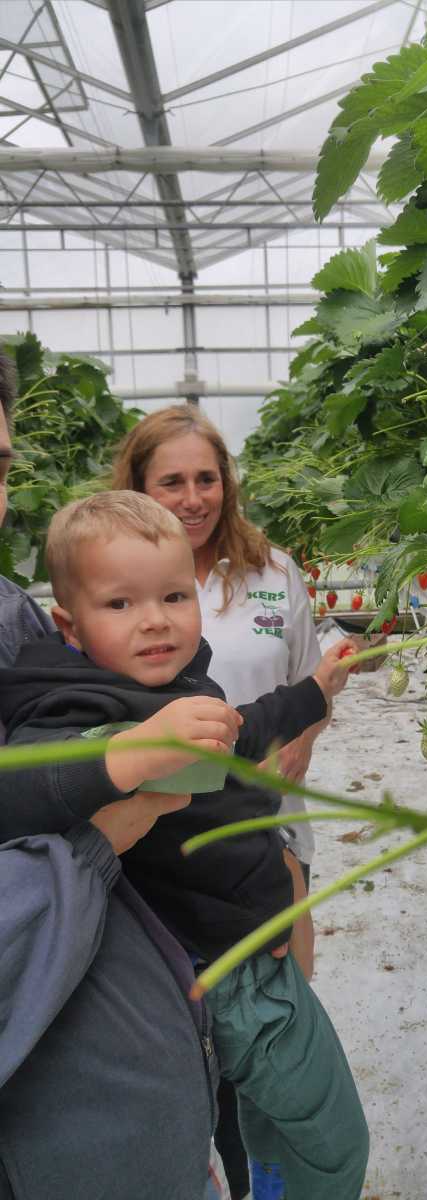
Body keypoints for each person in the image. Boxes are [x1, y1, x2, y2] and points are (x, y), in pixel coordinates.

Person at [0, 489, 370, 1200]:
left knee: (263, 1126)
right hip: (224, 978)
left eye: (173, 596)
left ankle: (266, 1186)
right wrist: (122, 755)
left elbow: (242, 728)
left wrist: (317, 691)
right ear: (68, 626)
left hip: (238, 951)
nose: (155, 620)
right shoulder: (75, 703)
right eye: (120, 603)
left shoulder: (174, 681)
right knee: (333, 1142)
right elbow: (24, 781)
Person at [0, 353, 219, 1200]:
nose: (150, 622)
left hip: (154, 1094)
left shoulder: (11, 614)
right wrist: (98, 834)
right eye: (120, 604)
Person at [111, 405, 327, 1198]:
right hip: (163, 857)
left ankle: (260, 1177)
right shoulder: (111, 576)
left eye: (207, 478)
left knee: (271, 1027)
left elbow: (307, 683)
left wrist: (302, 744)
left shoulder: (272, 571)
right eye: (171, 481)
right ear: (139, 486)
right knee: (181, 1036)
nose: (193, 497)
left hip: (272, 836)